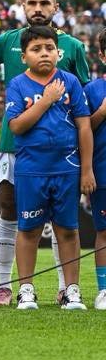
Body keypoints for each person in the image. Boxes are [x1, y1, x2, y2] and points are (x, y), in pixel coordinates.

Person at [0, 0, 91, 305]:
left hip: (62, 154)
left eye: (45, 3)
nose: (38, 9)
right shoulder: (8, 40)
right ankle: (5, 287)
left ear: (56, 7)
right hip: (14, 147)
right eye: (32, 3)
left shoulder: (72, 47)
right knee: (9, 211)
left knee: (62, 220)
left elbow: (85, 100)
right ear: (23, 6)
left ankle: (65, 287)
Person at [4, 26, 93, 310]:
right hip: (31, 169)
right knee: (29, 229)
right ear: (24, 56)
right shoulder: (17, 84)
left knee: (67, 230)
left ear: (58, 52)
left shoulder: (71, 82)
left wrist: (87, 169)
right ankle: (26, 290)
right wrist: (45, 100)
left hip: (67, 168)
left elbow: (84, 126)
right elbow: (16, 126)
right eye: (36, 49)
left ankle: (72, 291)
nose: (44, 53)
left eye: (49, 48)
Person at [82, 31, 106, 310]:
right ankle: (104, 290)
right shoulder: (92, 90)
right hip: (103, 171)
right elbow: (83, 129)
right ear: (102, 56)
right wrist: (101, 112)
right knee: (104, 232)